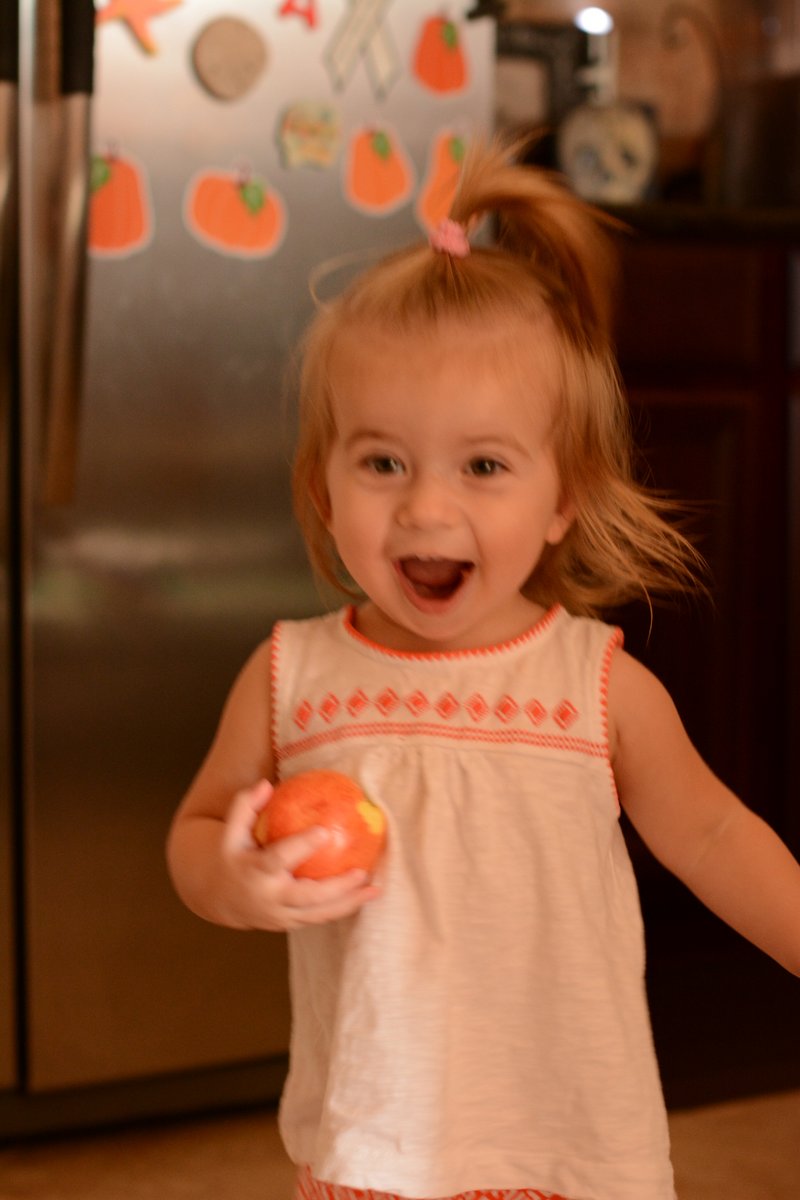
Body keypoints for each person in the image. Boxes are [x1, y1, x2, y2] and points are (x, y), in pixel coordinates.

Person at [167, 140, 800, 1200]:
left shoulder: (596, 688)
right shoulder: (292, 676)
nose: (426, 507)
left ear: (562, 498)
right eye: (381, 462)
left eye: (484, 465)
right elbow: (197, 832)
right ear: (322, 487)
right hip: (376, 1141)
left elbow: (712, 836)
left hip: (565, 1141)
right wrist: (231, 883)